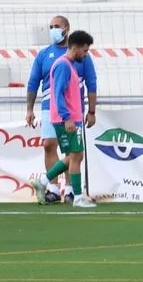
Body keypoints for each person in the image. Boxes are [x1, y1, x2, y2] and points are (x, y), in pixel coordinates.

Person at [25, 15, 97, 204]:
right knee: (59, 148)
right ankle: (57, 189)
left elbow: (91, 83)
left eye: (57, 26)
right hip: (61, 112)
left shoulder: (78, 60)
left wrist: (91, 110)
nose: (53, 30)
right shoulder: (54, 59)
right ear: (79, 47)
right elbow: (39, 84)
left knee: (73, 153)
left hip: (72, 111)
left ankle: (68, 189)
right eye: (51, 27)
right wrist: (30, 109)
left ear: (67, 28)